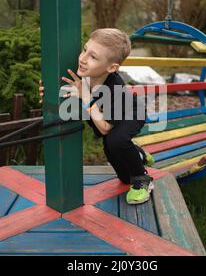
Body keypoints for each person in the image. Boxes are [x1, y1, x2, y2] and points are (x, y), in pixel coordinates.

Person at [39, 28, 155, 204]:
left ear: (111, 67)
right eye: (85, 50)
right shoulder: (83, 73)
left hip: (131, 113)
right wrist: (48, 92)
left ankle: (142, 179)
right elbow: (66, 93)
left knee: (115, 140)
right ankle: (138, 154)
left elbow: (105, 128)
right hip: (104, 117)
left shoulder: (114, 88)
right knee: (124, 177)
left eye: (93, 57)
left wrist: (85, 95)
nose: (83, 59)